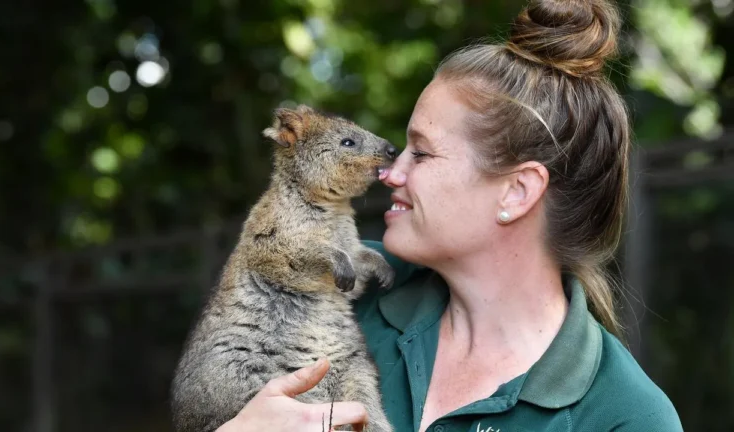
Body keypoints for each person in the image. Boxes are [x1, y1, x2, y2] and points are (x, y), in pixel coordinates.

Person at [215, 0, 684, 430]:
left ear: (517, 192)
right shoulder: (343, 284)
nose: (390, 173)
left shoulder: (626, 415)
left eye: (420, 153)